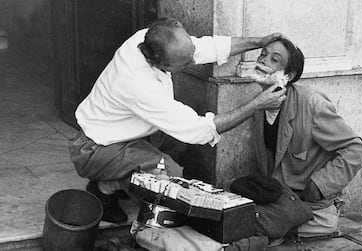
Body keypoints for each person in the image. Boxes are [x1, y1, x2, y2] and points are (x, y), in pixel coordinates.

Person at [68, 17, 287, 224]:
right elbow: (199, 129)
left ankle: (129, 181)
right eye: (185, 64)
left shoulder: (151, 38)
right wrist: (256, 104)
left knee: (180, 148)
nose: (193, 61)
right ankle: (105, 187)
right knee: (168, 175)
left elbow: (203, 48)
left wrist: (258, 42)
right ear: (158, 62)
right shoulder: (138, 84)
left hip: (128, 133)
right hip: (95, 148)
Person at [250, 37, 362, 239]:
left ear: (288, 75)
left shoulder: (312, 105)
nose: (263, 60)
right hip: (279, 199)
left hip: (308, 204)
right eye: (263, 54)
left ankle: (319, 221)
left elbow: (357, 150)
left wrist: (320, 184)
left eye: (274, 59)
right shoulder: (260, 104)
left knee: (253, 231)